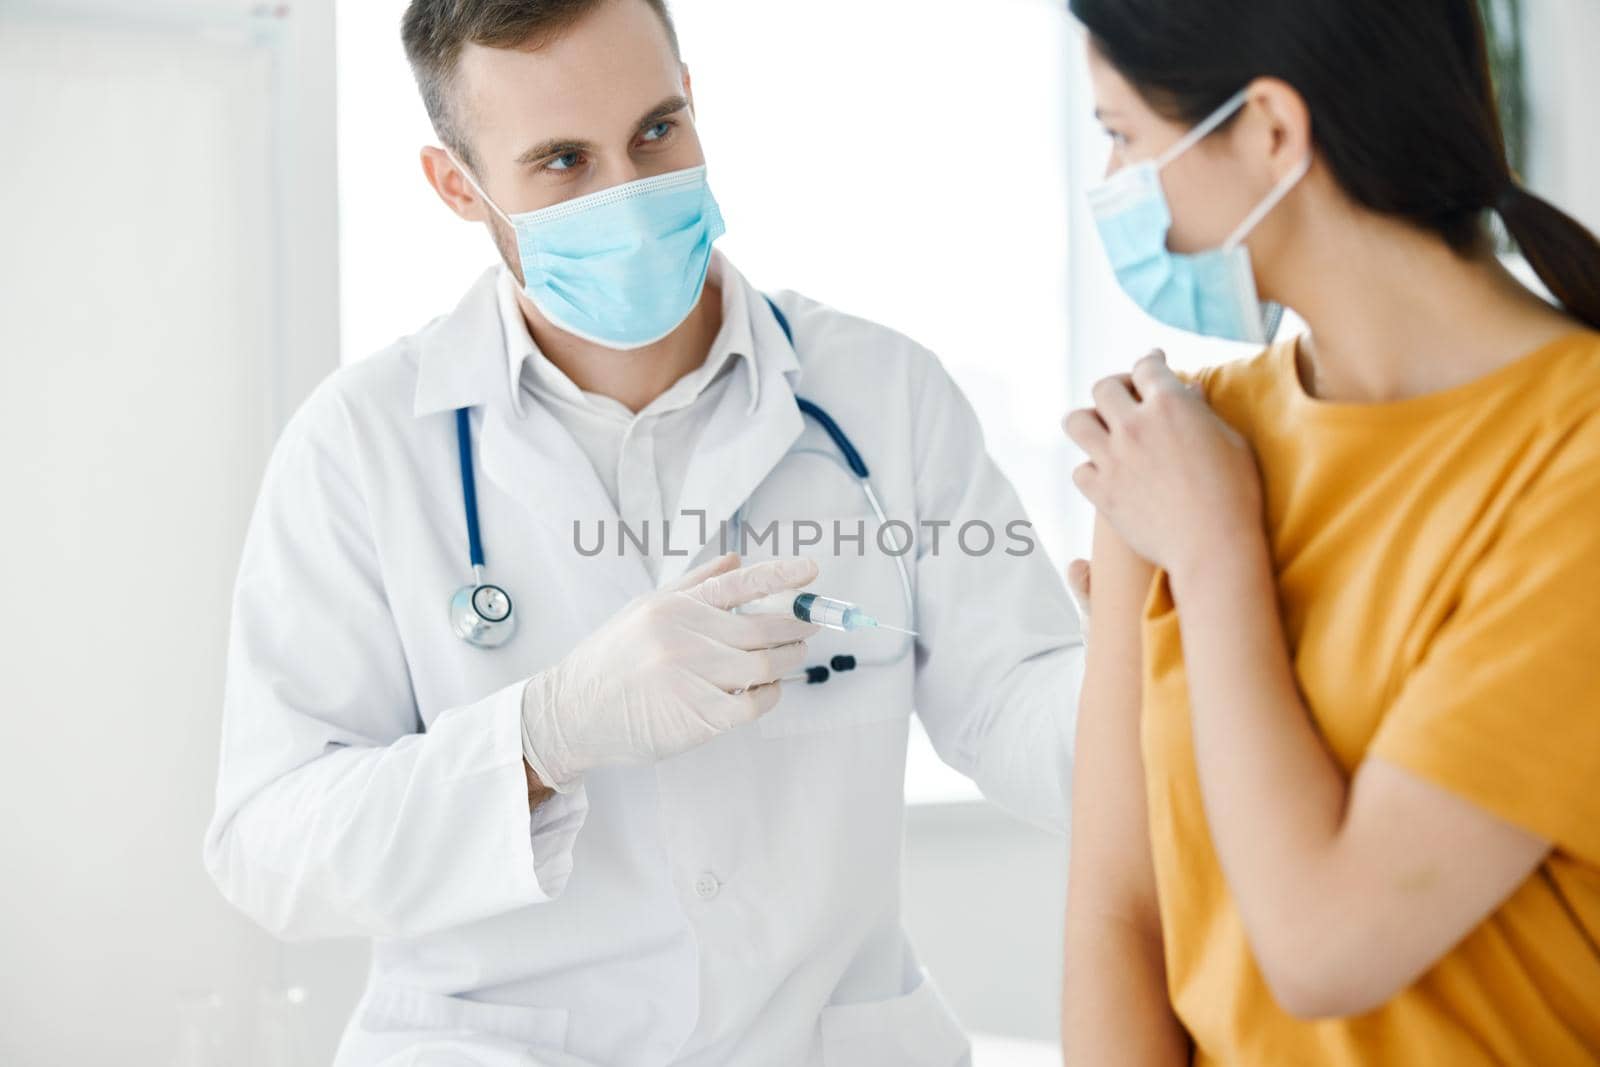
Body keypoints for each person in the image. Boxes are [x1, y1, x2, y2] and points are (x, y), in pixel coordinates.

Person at [203, 1, 1085, 1063]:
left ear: (694, 103)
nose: (627, 191)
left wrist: (1153, 660)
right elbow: (271, 849)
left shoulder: (881, 394)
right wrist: (543, 734)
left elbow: (1016, 705)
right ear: (457, 185)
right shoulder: (362, 443)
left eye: (656, 132)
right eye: (563, 161)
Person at [1059, 1, 1600, 1064]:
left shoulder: (1571, 461)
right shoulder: (1176, 443)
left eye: (1123, 135)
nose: (1111, 184)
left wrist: (1218, 558)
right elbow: (1118, 916)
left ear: (1268, 128)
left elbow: (1324, 945)